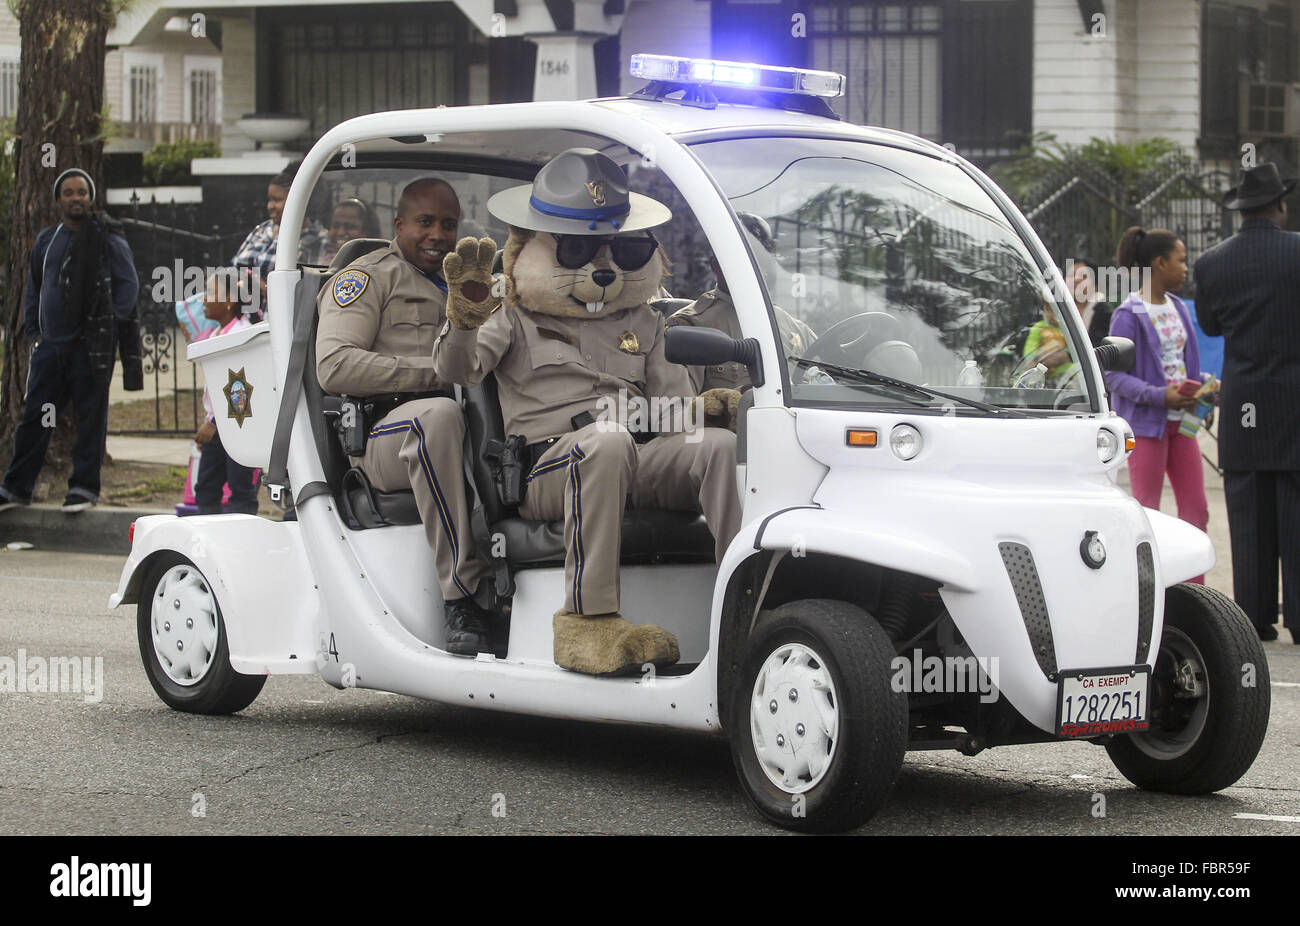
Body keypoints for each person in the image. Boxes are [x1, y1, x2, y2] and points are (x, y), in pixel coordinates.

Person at [434, 148, 742, 676]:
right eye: (576, 249)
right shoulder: (507, 308)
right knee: (606, 442)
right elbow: (457, 372)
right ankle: (586, 621)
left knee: (716, 446)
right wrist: (463, 321)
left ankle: (747, 611)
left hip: (630, 456)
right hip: (548, 469)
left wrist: (699, 410)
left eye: (619, 248)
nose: (601, 267)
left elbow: (664, 410)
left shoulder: (642, 320)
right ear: (530, 245)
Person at [316, 177, 499, 655]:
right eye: (424, 222)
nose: (437, 234)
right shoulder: (368, 277)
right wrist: (436, 374)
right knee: (436, 418)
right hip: (387, 436)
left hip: (473, 430)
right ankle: (464, 597)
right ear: (399, 225)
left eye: (448, 223)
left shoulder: (472, 280)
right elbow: (333, 365)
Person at [1194, 161, 1300, 642]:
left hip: (1244, 404)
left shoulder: (1212, 262)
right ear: (1280, 205)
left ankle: (1254, 617)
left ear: (1240, 210)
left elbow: (1213, 326)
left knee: (1249, 514)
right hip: (1293, 401)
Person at [0, 168, 140, 514]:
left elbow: (129, 285)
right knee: (37, 417)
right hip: (51, 349)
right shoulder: (48, 240)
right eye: (68, 192)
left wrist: (106, 327)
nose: (75, 198)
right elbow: (34, 286)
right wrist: (35, 333)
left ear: (90, 197)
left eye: (81, 192)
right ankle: (17, 488)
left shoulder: (106, 237)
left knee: (91, 418)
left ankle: (82, 489)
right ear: (58, 199)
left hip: (89, 350)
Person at [1105, 226, 1209, 583]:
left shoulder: (1179, 308)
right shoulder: (1128, 314)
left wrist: (1205, 386)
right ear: (1160, 263)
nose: (1185, 268)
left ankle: (1195, 597)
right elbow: (1114, 377)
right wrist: (1160, 395)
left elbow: (1183, 365)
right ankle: (1152, 593)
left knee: (1197, 511)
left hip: (1184, 423)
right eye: (1181, 261)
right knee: (1147, 515)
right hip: (1147, 427)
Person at [667, 212, 815, 392]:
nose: (759, 264)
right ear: (716, 265)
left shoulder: (795, 328)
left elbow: (832, 381)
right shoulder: (690, 326)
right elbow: (678, 412)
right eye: (746, 255)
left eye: (765, 253)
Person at [193, 274, 259, 516]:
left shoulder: (240, 335)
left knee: (240, 489)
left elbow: (239, 388)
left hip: (237, 426)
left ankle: (243, 542)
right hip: (218, 426)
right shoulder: (216, 335)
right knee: (206, 488)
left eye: (210, 293)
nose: (203, 299)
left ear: (230, 299)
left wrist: (212, 423)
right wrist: (210, 421)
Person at [232, 163, 329, 309]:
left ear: (300, 201)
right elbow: (235, 267)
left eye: (277, 200)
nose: (270, 206)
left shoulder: (319, 240)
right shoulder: (262, 230)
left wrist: (265, 288)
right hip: (244, 316)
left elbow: (307, 292)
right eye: (269, 200)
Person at [1067, 257, 1114, 347]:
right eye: (1071, 275)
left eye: (1083, 276)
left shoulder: (1106, 315)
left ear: (1095, 285)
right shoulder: (1053, 310)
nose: (1076, 280)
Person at [320, 198, 380, 266]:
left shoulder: (376, 264)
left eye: (350, 227)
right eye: (335, 226)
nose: (340, 232)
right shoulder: (318, 256)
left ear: (367, 231)